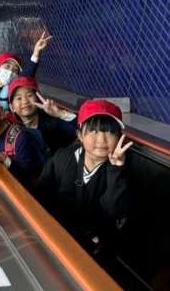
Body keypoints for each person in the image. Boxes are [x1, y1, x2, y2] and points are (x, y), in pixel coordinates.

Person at [36, 99, 132, 255]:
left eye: (110, 132)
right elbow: (41, 192)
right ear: (80, 135)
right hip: (55, 236)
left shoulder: (121, 171)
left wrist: (116, 169)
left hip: (93, 249)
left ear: (120, 137)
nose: (101, 140)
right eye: (93, 131)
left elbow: (113, 212)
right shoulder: (62, 158)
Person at [0, 30, 52, 110]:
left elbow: (26, 74)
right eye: (7, 67)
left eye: (15, 70)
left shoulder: (12, 92)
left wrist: (36, 52)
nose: (10, 72)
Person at [8, 76, 76, 154]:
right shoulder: (14, 133)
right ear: (12, 107)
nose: (25, 101)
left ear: (38, 98)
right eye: (19, 98)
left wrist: (60, 114)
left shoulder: (52, 120)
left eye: (29, 95)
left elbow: (78, 130)